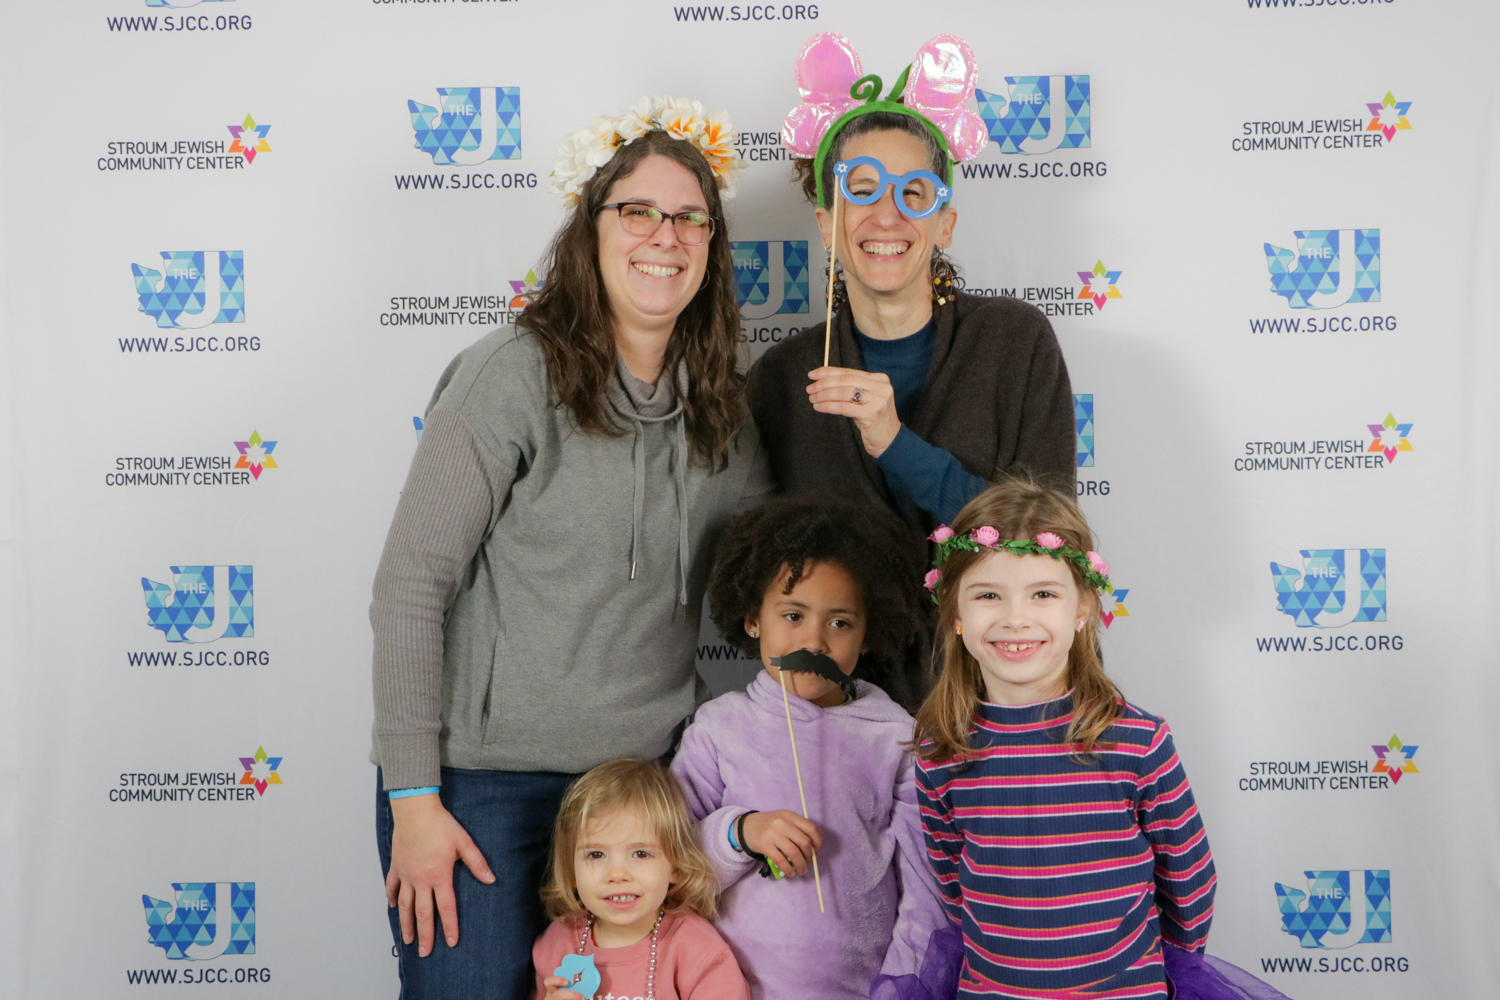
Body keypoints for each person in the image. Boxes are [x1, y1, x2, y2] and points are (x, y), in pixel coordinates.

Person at [370, 95, 771, 999]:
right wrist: (414, 800)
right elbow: (409, 588)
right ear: (591, 229)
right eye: (639, 211)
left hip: (639, 789)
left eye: (690, 218)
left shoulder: (724, 410)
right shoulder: (511, 374)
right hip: (478, 786)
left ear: (711, 247)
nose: (665, 236)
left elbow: (769, 579)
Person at [752, 33, 1078, 709]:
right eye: (862, 189)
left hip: (999, 708)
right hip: (837, 726)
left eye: (915, 192)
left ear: (946, 223)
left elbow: (1050, 547)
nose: (887, 214)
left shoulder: (1015, 344)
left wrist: (895, 444)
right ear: (826, 224)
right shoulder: (782, 378)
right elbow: (765, 572)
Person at [911, 479, 1217, 999]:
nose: (1015, 618)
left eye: (1043, 594)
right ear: (956, 613)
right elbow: (953, 887)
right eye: (988, 595)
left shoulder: (1137, 743)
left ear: (1083, 609)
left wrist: (1156, 976)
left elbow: (1190, 884)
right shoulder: (941, 753)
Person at [670, 496, 948, 1000]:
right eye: (793, 615)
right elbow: (671, 866)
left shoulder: (897, 738)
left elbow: (926, 886)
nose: (814, 642)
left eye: (840, 623)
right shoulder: (719, 728)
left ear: (868, 634)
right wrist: (741, 833)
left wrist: (901, 987)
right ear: (753, 618)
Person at [532, 759, 749, 1000]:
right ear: (571, 871)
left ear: (676, 866)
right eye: (596, 855)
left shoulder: (697, 950)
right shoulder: (558, 943)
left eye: (641, 854)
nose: (617, 874)